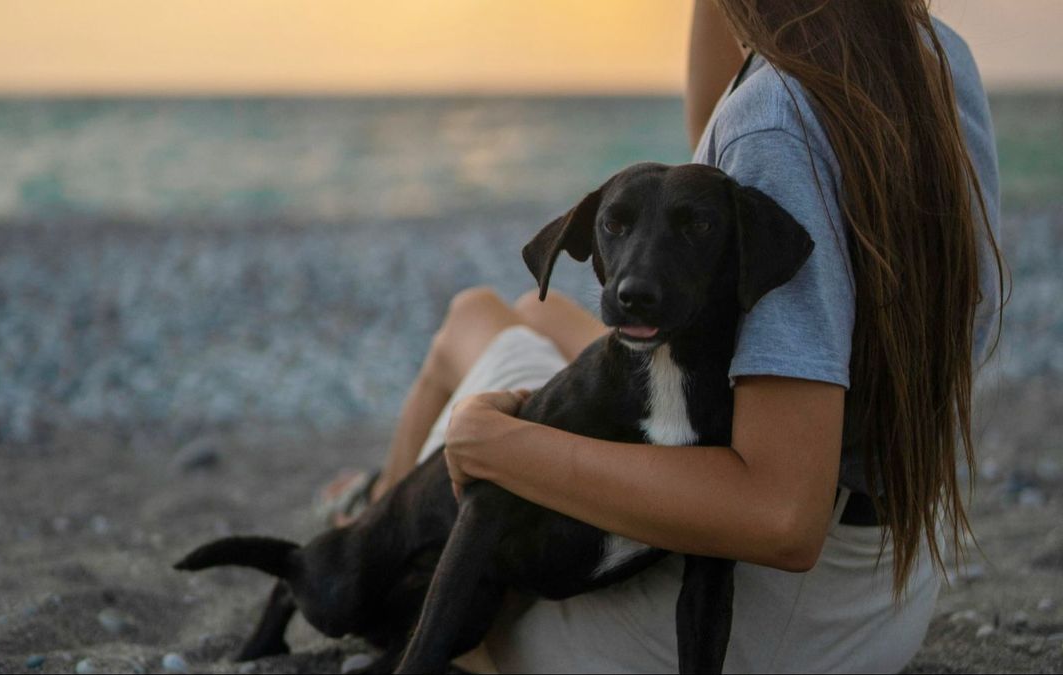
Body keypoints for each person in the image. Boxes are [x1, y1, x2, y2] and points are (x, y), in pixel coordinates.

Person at [321, 1, 1004, 671]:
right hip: (886, 583)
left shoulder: (776, 122)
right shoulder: (927, 53)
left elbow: (780, 515)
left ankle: (367, 525)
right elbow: (717, 130)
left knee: (473, 321)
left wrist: (500, 444)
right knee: (533, 316)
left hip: (755, 622)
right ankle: (374, 499)